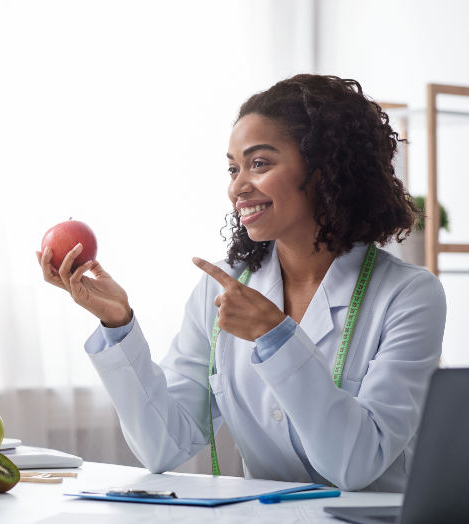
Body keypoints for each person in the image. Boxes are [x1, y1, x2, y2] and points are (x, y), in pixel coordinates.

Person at [38, 74, 447, 492]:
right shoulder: (222, 288)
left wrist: (276, 337)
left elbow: (358, 463)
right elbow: (164, 444)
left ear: (325, 169)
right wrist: (117, 323)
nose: (237, 187)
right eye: (234, 168)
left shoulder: (408, 295)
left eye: (260, 163)